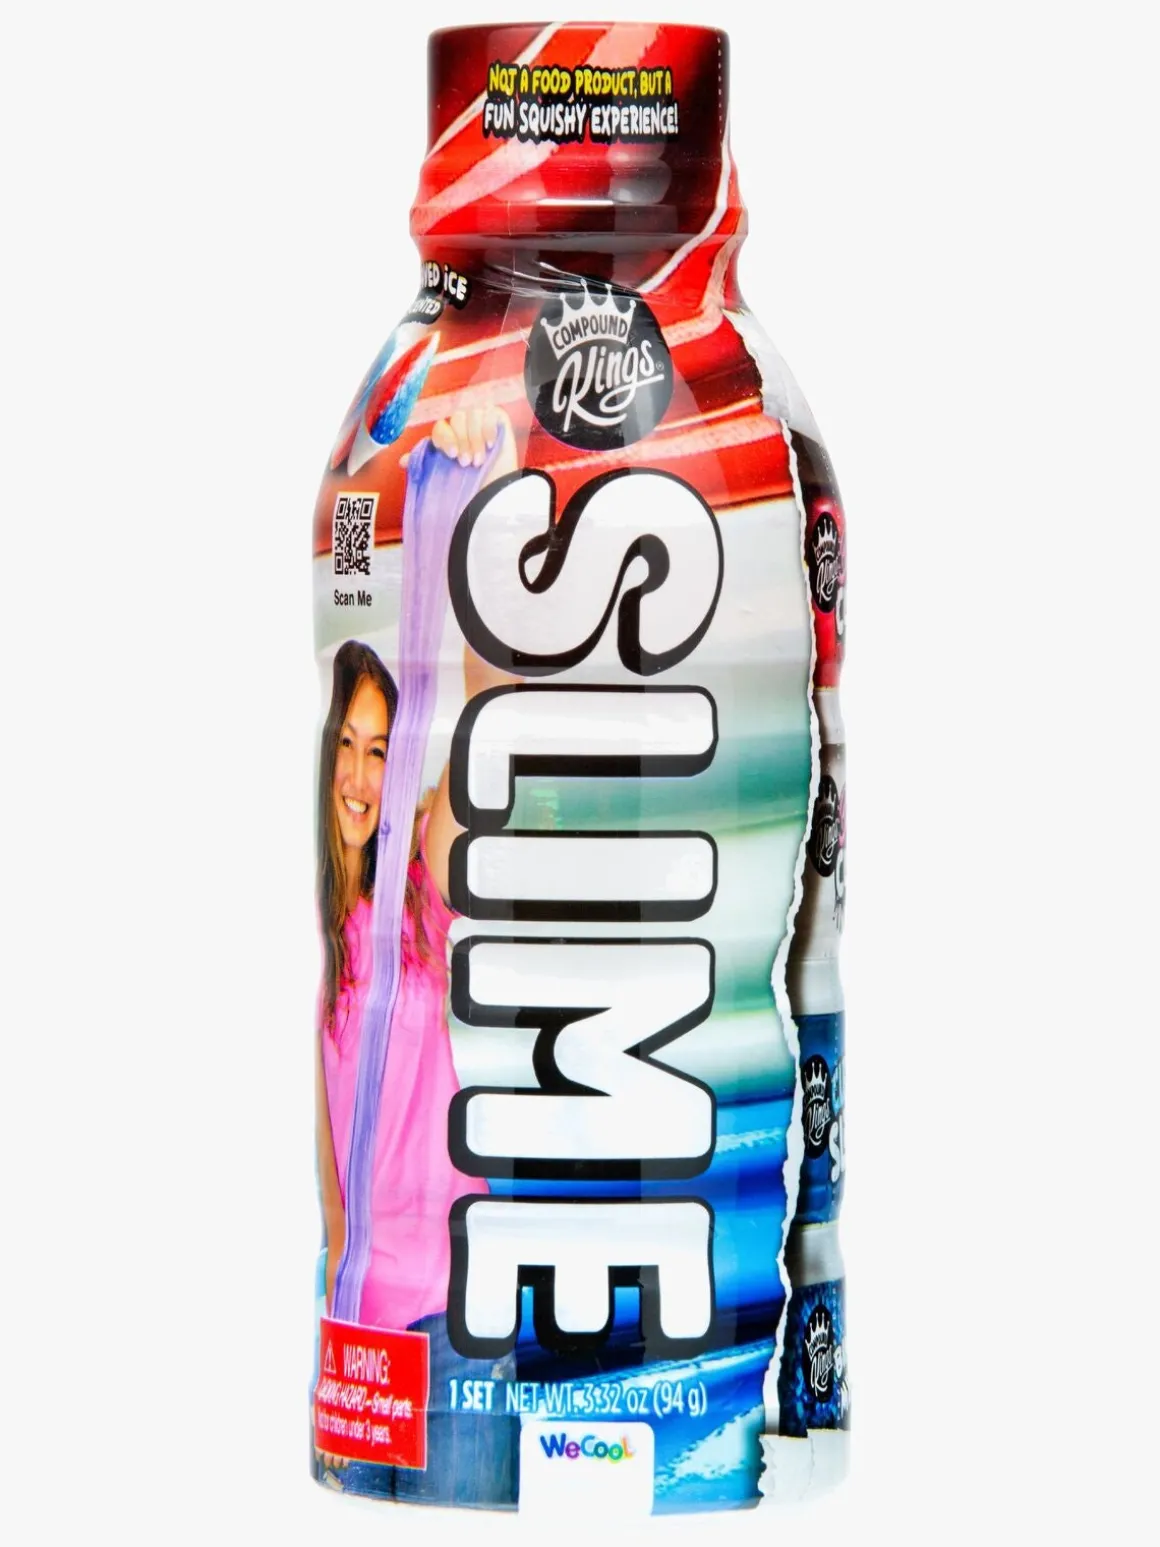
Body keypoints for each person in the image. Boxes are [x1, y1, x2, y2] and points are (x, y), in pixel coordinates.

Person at [314, 407, 519, 1504]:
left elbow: (488, 710)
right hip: (359, 1340)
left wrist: (476, 508)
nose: (361, 776)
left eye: (381, 750)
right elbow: (333, 1188)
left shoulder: (419, 903)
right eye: (346, 746)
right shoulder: (325, 943)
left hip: (448, 1328)